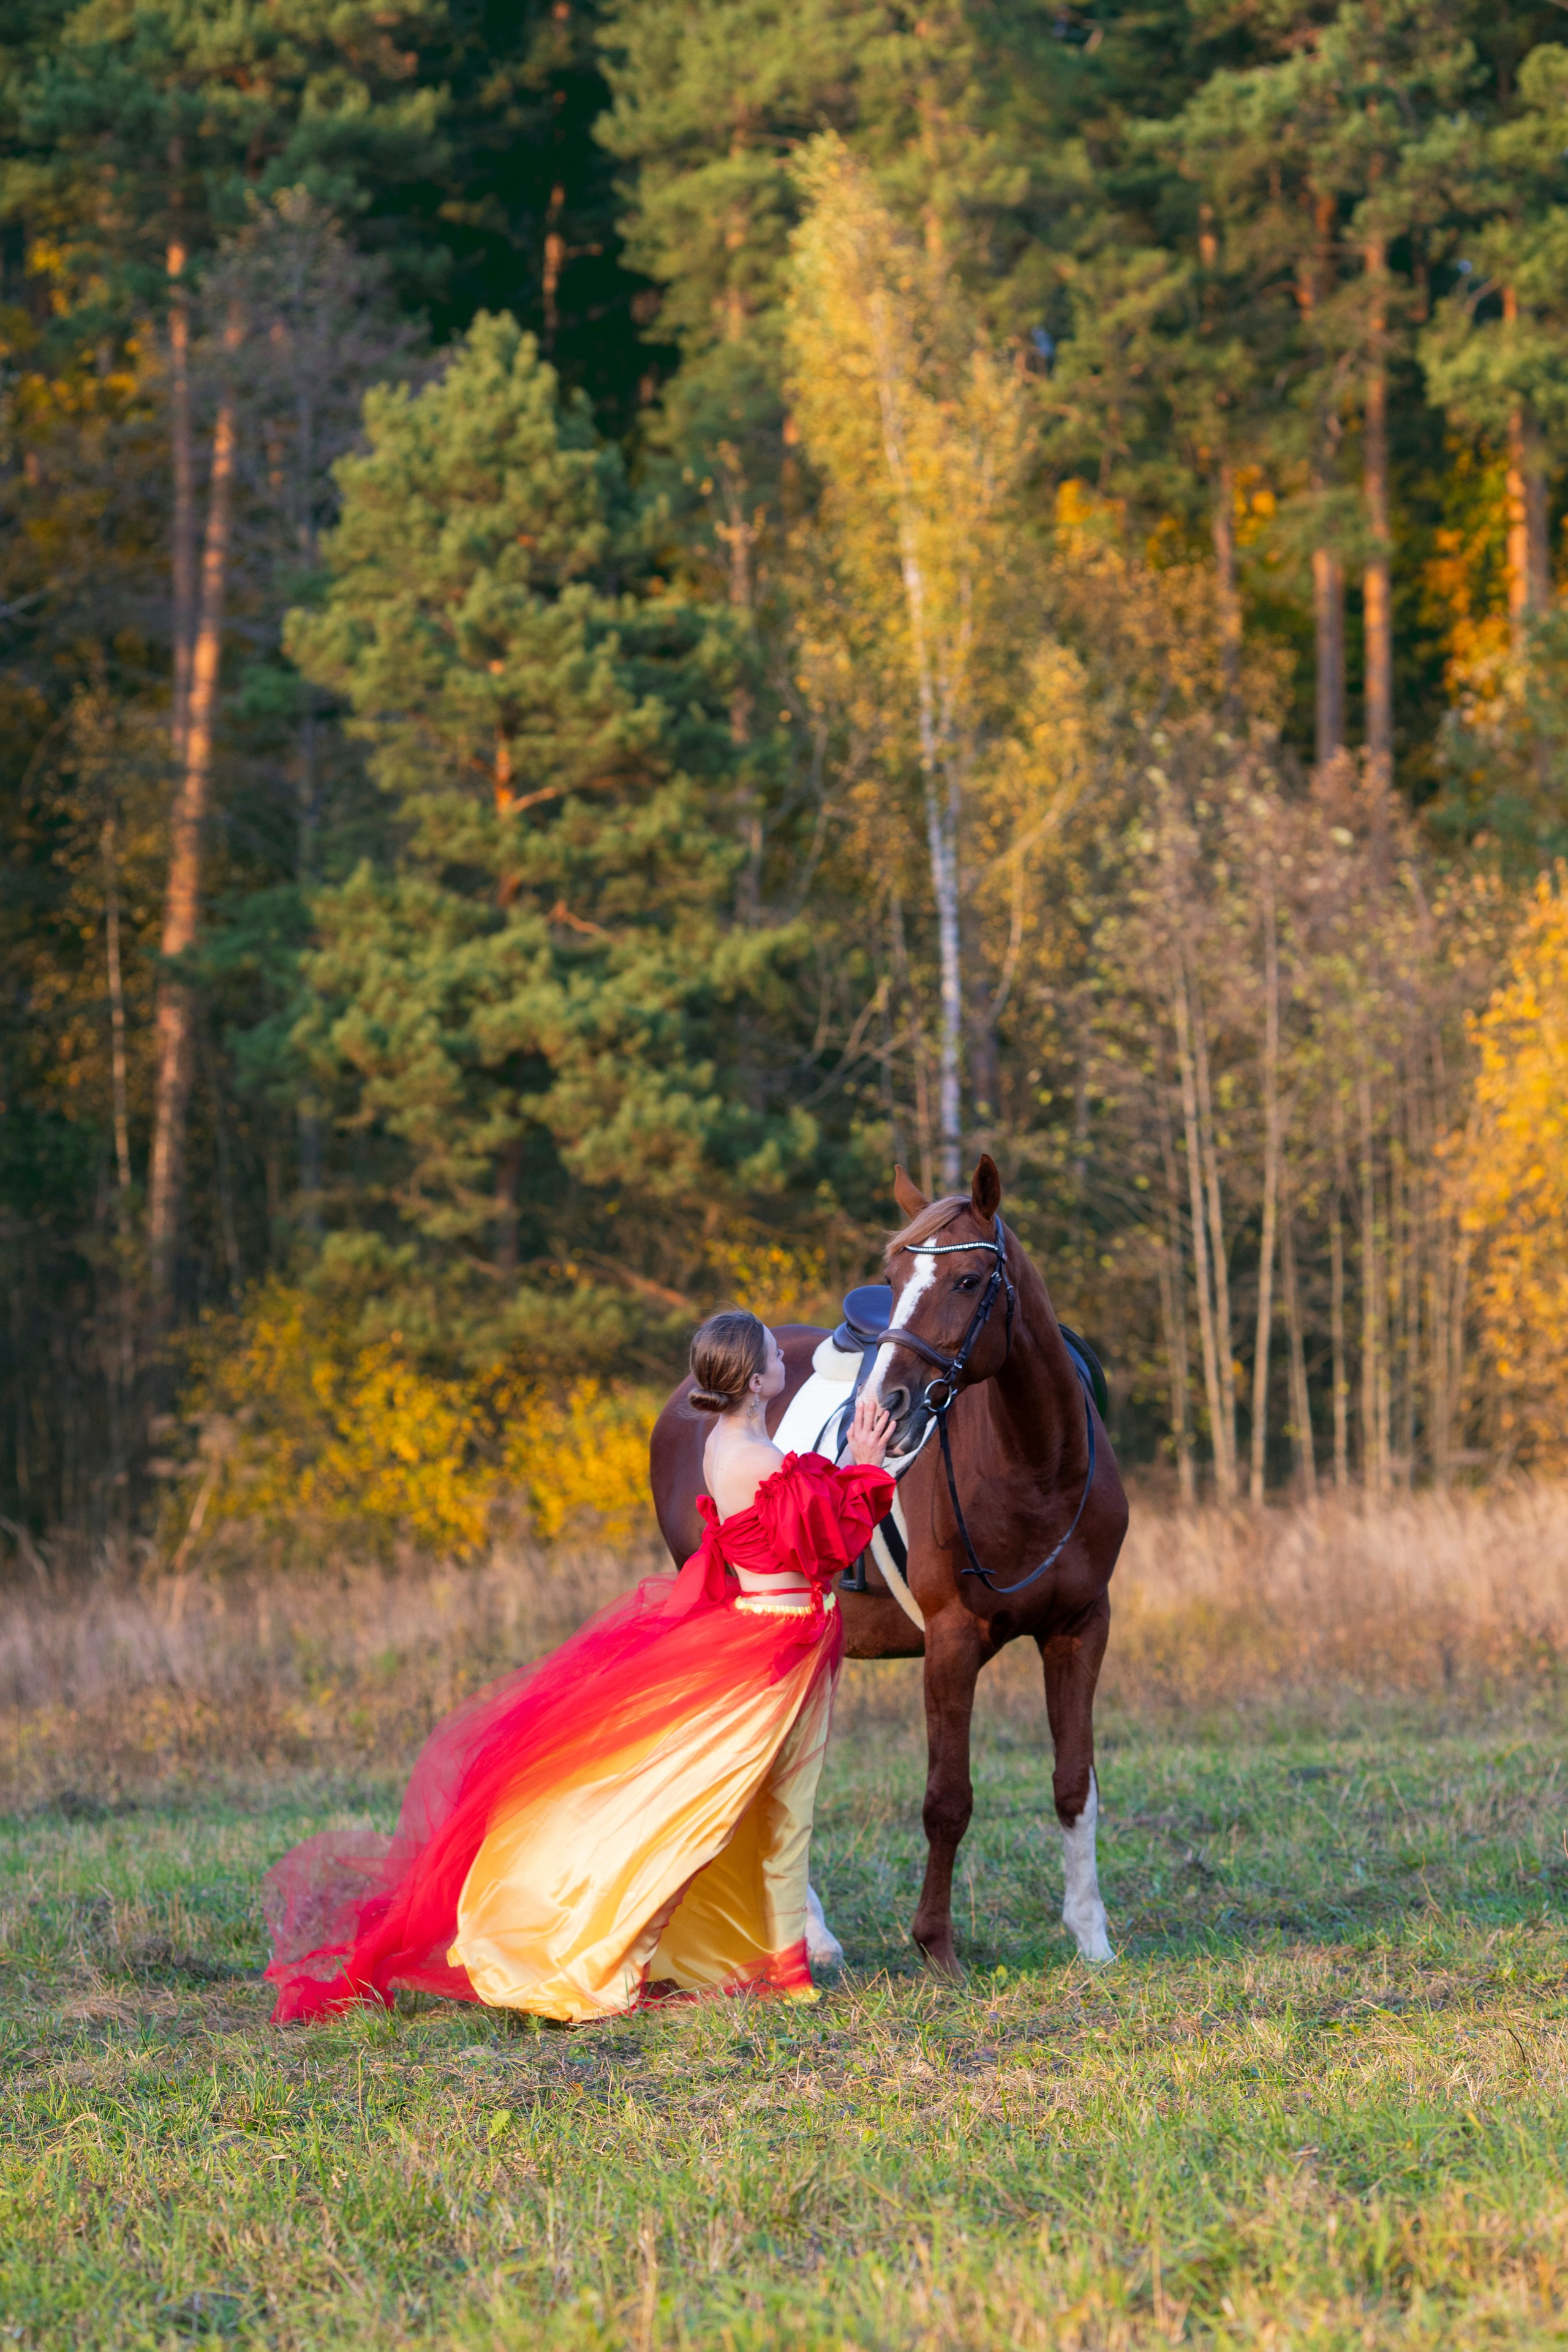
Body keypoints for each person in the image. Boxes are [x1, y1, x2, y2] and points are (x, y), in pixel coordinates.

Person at [263, 1309, 894, 2026]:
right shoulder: (751, 1457)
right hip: (772, 1644)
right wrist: (864, 1463)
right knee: (739, 1811)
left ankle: (766, 1956)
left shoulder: (740, 1441)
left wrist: (844, 1468)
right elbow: (822, 1543)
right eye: (778, 1356)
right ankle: (727, 1959)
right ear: (757, 1380)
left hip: (774, 1633)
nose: (789, 1359)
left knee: (752, 1811)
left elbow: (802, 1512)